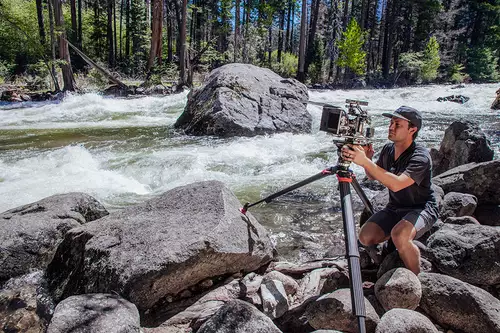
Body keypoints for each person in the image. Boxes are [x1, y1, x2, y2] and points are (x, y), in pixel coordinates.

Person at [340, 106, 438, 275]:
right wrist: (368, 160)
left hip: (422, 208)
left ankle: (416, 278)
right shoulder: (388, 149)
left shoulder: (420, 156)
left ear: (412, 129)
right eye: (391, 122)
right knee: (365, 236)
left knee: (400, 235)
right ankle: (394, 246)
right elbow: (373, 175)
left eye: (397, 124)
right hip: (395, 207)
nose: (391, 127)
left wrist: (364, 162)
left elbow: (397, 184)